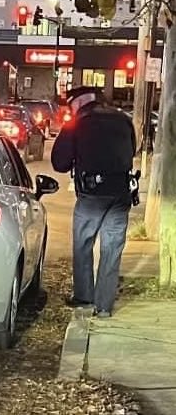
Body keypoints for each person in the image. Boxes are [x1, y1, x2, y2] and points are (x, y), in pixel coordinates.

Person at [51, 86, 136, 318]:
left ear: (77, 104)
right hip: (120, 194)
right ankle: (104, 306)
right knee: (112, 249)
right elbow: (132, 150)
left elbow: (60, 163)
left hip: (91, 197)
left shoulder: (77, 123)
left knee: (83, 244)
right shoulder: (123, 119)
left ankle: (84, 297)